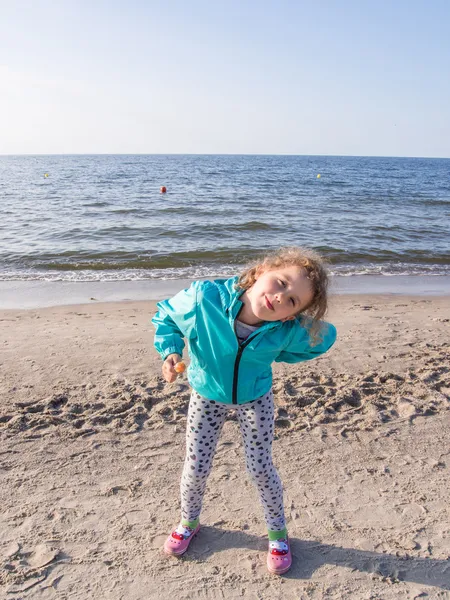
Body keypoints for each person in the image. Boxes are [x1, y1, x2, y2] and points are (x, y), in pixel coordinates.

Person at [152, 247, 336, 575]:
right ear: (260, 270)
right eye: (280, 283)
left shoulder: (287, 329)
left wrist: (282, 349)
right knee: (195, 467)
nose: (280, 297)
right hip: (207, 397)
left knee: (260, 468)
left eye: (292, 301)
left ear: (293, 314)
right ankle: (188, 522)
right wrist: (170, 352)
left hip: (255, 399)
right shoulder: (203, 299)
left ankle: (278, 535)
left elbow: (323, 338)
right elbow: (167, 317)